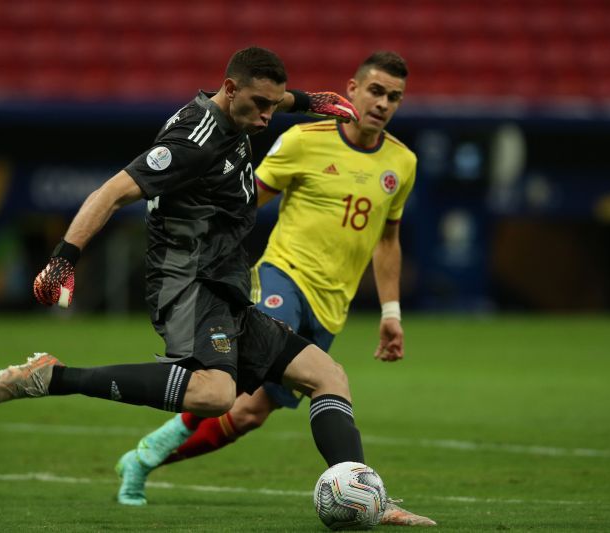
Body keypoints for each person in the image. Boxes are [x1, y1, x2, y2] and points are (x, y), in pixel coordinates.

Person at [0, 46, 379, 502]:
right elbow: (109, 193)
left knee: (327, 375)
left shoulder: (240, 107)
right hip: (188, 281)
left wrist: (307, 100)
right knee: (216, 396)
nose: (269, 116)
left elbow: (273, 97)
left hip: (224, 283)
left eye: (274, 104)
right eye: (261, 105)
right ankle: (53, 378)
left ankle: (363, 495)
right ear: (230, 90)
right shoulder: (192, 143)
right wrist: (63, 259)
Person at [115, 51, 435, 527]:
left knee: (248, 414)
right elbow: (242, 200)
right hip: (281, 276)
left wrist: (391, 312)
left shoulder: (402, 162)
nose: (383, 103)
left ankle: (145, 456)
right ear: (351, 89)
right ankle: (370, 496)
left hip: (332, 305)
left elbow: (388, 240)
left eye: (394, 97)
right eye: (375, 91)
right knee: (236, 382)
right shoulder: (303, 139)